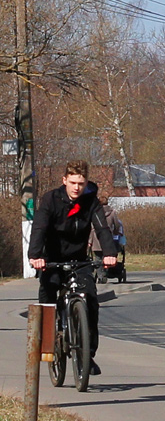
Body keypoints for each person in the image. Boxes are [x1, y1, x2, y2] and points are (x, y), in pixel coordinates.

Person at [28, 160, 118, 375]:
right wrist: (36, 256)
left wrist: (109, 254)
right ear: (64, 181)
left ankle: (88, 355)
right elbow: (39, 227)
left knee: (91, 301)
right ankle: (49, 347)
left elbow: (102, 228)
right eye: (73, 182)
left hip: (79, 260)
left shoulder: (91, 202)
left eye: (81, 183)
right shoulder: (51, 200)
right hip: (52, 260)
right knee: (48, 299)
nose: (77, 187)